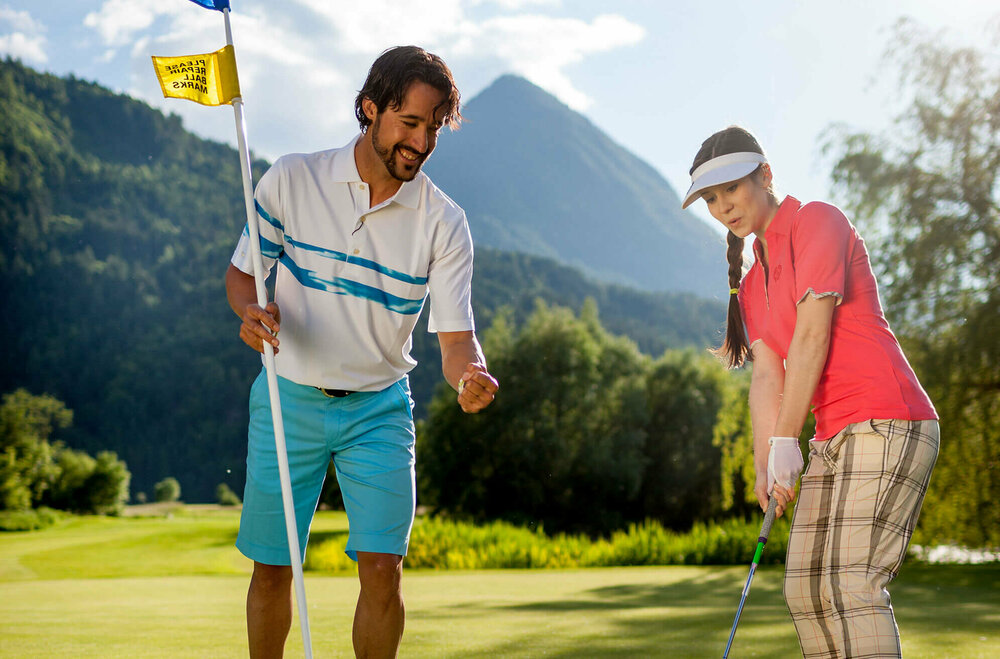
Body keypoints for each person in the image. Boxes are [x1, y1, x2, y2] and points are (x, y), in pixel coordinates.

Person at [225, 45, 499, 658]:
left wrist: (469, 375)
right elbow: (244, 276)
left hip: (379, 410)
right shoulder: (293, 177)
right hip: (286, 398)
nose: (421, 142)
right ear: (371, 109)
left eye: (433, 129)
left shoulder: (444, 223)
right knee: (273, 569)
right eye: (410, 123)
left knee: (383, 570)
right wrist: (250, 311)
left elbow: (456, 342)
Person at [682, 126, 938, 658]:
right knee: (805, 591)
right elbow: (767, 377)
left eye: (731, 188)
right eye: (711, 198)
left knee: (850, 585)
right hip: (831, 434)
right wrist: (764, 462)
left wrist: (784, 442)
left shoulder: (819, 220)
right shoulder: (752, 284)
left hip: (889, 418)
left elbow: (812, 334)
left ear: (766, 175)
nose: (723, 206)